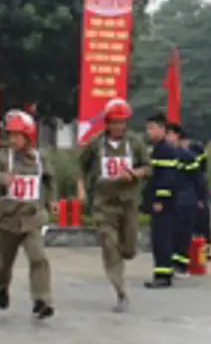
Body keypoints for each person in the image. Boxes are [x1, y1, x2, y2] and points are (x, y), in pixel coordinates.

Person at [74, 101, 150, 310]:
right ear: (107, 123)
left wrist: (135, 173)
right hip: (104, 203)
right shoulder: (96, 143)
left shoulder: (134, 143)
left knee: (129, 249)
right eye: (114, 123)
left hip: (128, 202)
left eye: (121, 123)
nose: (118, 127)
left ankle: (124, 256)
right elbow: (80, 164)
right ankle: (121, 291)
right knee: (110, 245)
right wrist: (81, 188)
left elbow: (148, 167)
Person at [0, 110, 55, 319]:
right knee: (4, 263)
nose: (14, 140)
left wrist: (52, 202)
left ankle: (41, 299)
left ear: (29, 137)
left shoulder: (40, 158)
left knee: (39, 259)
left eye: (18, 135)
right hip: (7, 220)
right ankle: (1, 287)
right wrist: (2, 179)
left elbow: (50, 180)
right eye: (11, 135)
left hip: (32, 218)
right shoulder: (1, 157)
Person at [144, 115, 184, 290]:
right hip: (163, 202)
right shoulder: (159, 148)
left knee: (162, 238)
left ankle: (163, 275)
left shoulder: (164, 150)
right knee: (159, 237)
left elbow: (166, 178)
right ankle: (162, 272)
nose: (148, 132)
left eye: (151, 128)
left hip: (164, 203)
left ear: (161, 129)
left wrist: (160, 199)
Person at [164, 123, 198, 274]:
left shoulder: (187, 156)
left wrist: (200, 199)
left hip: (186, 199)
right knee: (171, 232)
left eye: (170, 134)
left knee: (183, 233)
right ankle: (172, 262)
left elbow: (197, 179)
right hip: (172, 199)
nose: (167, 137)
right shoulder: (165, 154)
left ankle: (181, 264)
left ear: (177, 137)